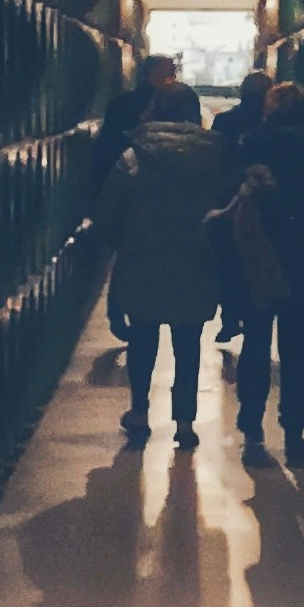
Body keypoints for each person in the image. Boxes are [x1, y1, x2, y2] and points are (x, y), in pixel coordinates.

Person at [92, 101, 223, 447]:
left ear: (151, 114)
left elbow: (107, 212)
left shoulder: (133, 157)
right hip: (196, 262)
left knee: (143, 340)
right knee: (188, 344)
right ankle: (184, 421)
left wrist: (122, 242)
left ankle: (139, 412)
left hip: (142, 260)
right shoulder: (214, 158)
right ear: (193, 116)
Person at [231, 78, 304, 468]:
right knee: (296, 353)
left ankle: (252, 434)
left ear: (270, 111)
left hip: (260, 258)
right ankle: (295, 436)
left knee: (256, 345)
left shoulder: (252, 144)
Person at [209, 66, 270, 345]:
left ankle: (230, 318)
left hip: (226, 199)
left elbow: (215, 161)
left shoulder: (225, 122)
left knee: (228, 262)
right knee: (253, 263)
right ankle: (249, 317)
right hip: (262, 203)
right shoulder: (271, 127)